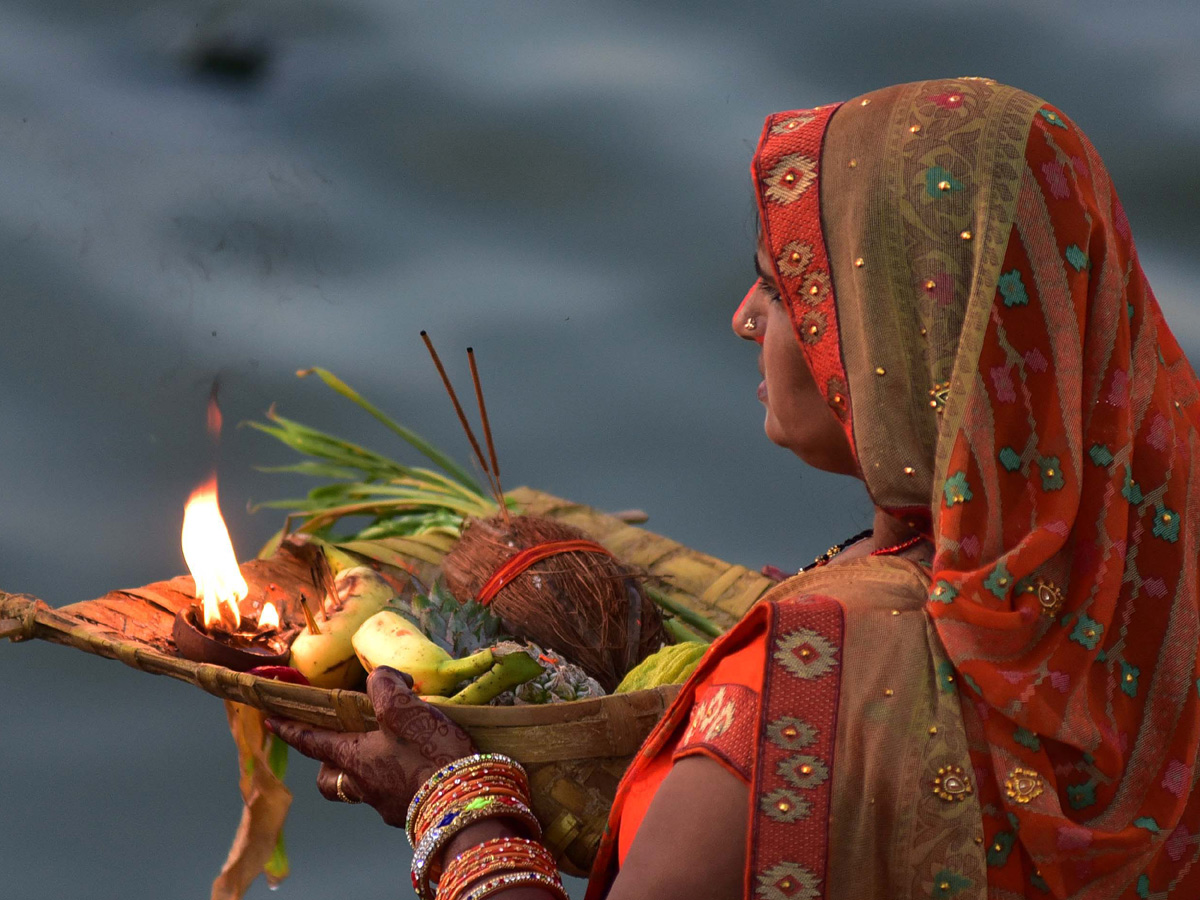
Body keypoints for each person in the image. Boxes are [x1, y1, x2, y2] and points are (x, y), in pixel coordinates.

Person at [268, 77, 1200, 899]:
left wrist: (458, 813)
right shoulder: (1152, 574)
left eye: (785, 289)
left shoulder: (805, 689)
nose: (744, 318)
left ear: (899, 343)